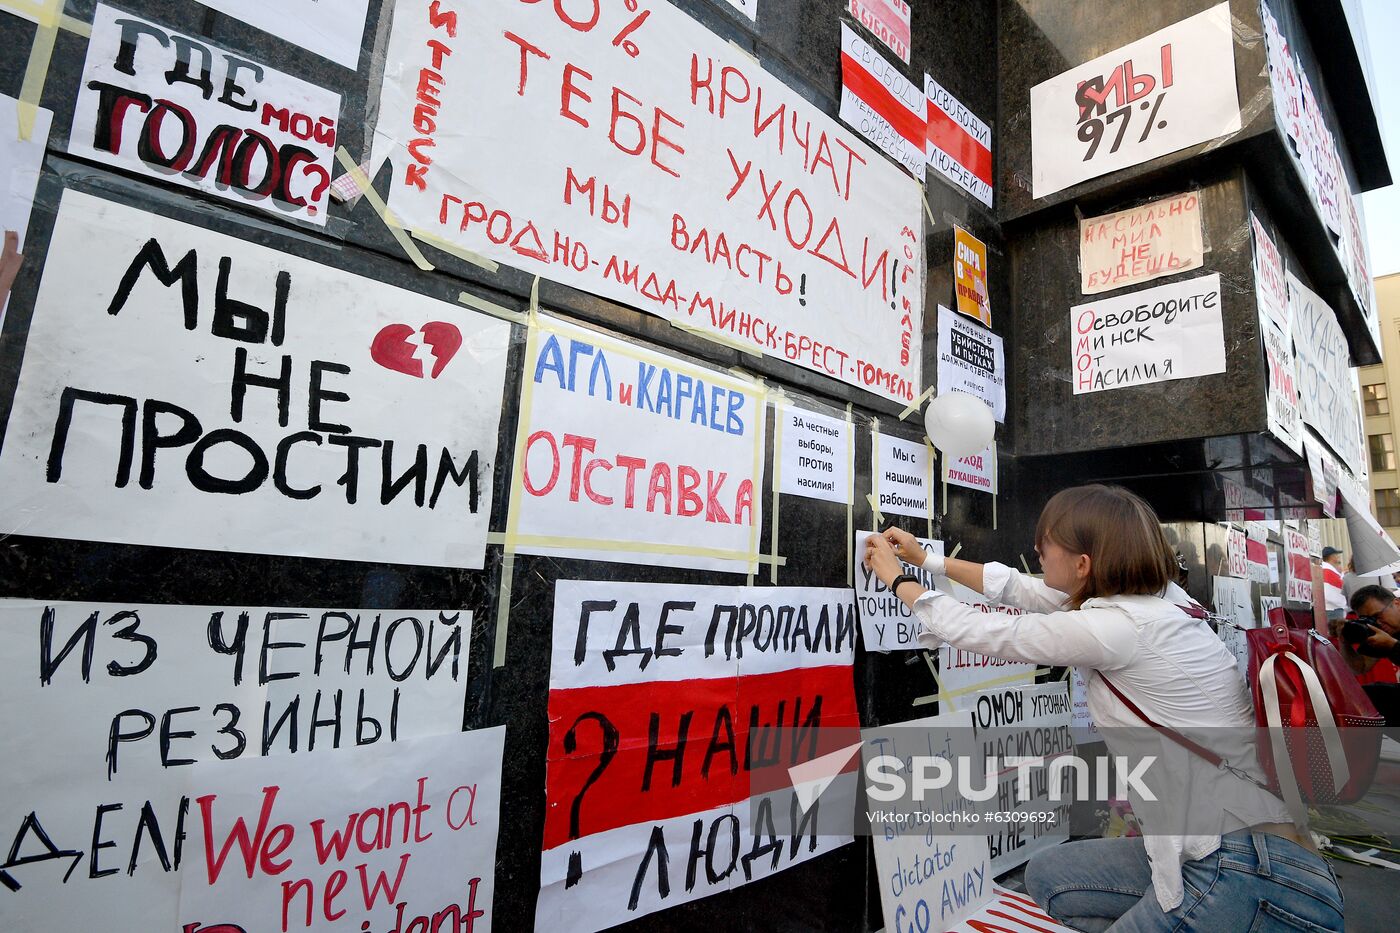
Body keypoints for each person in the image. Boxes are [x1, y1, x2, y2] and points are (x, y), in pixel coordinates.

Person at [864, 484, 1343, 932]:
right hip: (1251, 848)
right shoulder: (1161, 603)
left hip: (1240, 871)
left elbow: (982, 631)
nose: (1038, 551)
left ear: (1083, 564)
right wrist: (929, 561)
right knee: (1052, 875)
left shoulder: (1118, 629)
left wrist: (896, 578)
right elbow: (1023, 591)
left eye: (1046, 543)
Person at [1340, 585, 1400, 729]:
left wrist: (1393, 646)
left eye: (1378, 616)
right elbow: (1360, 667)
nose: (1377, 623)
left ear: (1397, 604)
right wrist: (1344, 642)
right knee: (1363, 694)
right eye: (1369, 620)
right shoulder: (1385, 631)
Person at [1320, 547, 1347, 625]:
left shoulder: (1328, 569)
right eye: (1336, 554)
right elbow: (1329, 591)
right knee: (1336, 633)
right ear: (1331, 556)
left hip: (1333, 607)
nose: (1338, 556)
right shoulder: (1327, 570)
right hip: (1332, 608)